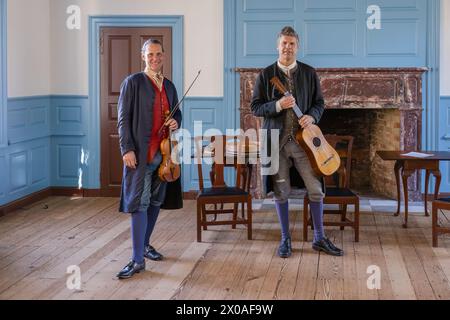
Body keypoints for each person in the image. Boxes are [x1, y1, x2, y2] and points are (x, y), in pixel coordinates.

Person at [251, 26, 343, 257]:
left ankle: (319, 238)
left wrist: (312, 116)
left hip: (305, 145)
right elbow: (255, 107)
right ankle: (285, 239)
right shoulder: (265, 74)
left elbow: (319, 103)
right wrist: (277, 105)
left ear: (297, 47)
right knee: (281, 192)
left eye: (292, 44)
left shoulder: (309, 73)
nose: (287, 48)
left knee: (316, 190)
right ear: (277, 45)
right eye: (284, 43)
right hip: (276, 143)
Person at [116, 39, 183, 279]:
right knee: (138, 204)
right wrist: (127, 149)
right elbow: (123, 119)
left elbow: (177, 113)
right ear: (143, 56)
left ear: (164, 56)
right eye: (150, 54)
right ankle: (136, 260)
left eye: (158, 54)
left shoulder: (170, 86)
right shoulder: (132, 82)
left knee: (155, 201)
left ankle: (145, 246)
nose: (155, 58)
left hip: (164, 156)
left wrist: (177, 122)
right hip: (141, 155)